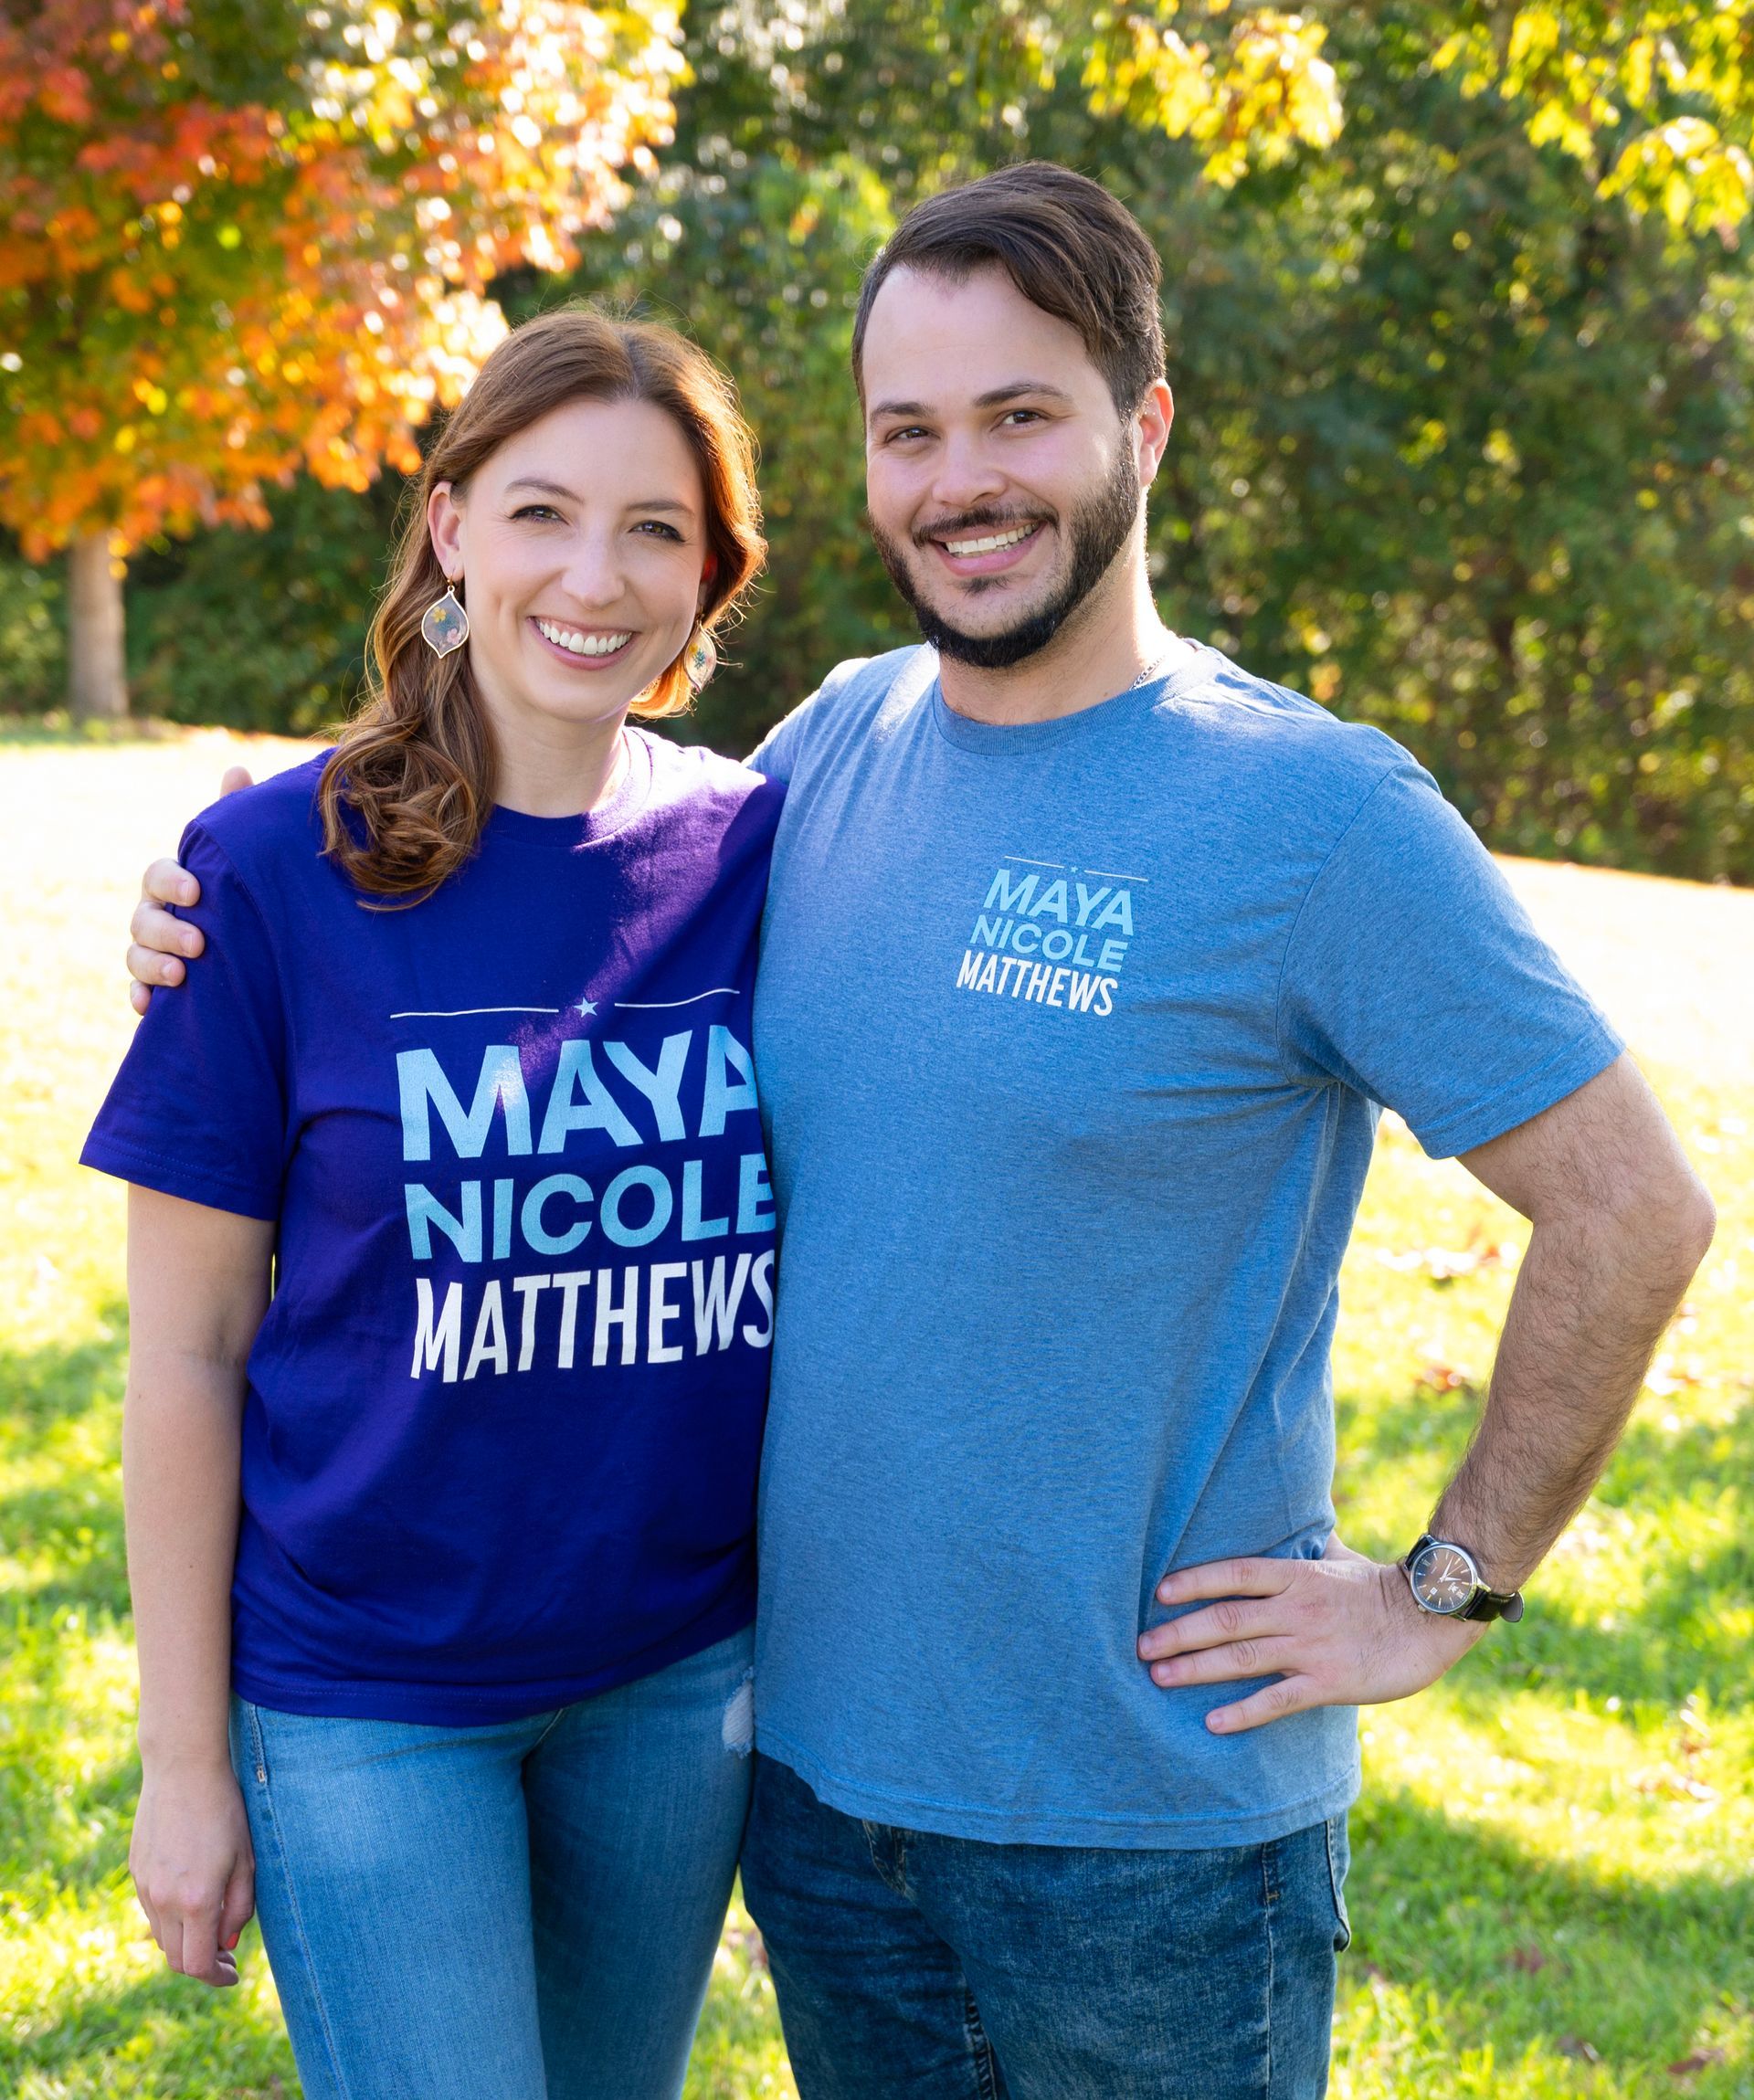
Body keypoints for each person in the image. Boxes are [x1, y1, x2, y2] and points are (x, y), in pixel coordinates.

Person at [125, 165, 1715, 2099]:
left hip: (1143, 1833)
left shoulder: (1314, 814)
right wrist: (220, 889)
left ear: (1142, 422)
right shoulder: (829, 762)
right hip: (808, 1793)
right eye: (910, 431)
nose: (964, 478)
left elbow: (1634, 1206)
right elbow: (511, 853)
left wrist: (1441, 1587)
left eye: (1022, 414)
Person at [85, 307, 786, 2100]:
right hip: (368, 1698)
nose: (597, 574)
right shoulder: (262, 873)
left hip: (670, 1684)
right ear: (452, 525)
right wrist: (183, 1763)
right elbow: (183, 1351)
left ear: (711, 574)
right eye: (544, 510)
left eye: (656, 529)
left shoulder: (761, 852)